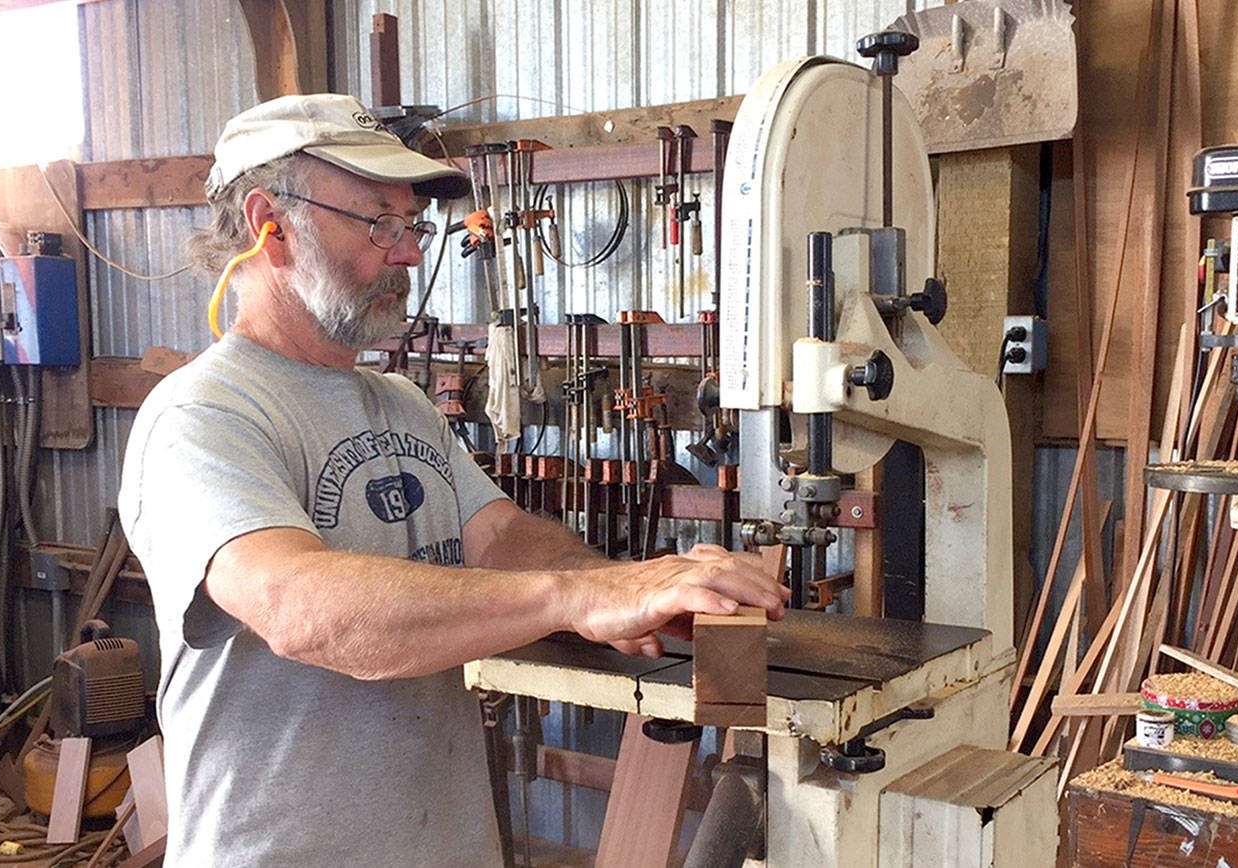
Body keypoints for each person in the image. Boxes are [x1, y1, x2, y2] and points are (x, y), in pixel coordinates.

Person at [118, 93, 786, 867]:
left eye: (412, 227)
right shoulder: (202, 416)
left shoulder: (399, 402)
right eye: (379, 223)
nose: (407, 255)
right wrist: (578, 598)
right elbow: (299, 608)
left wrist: (624, 586)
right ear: (271, 224)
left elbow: (499, 537)